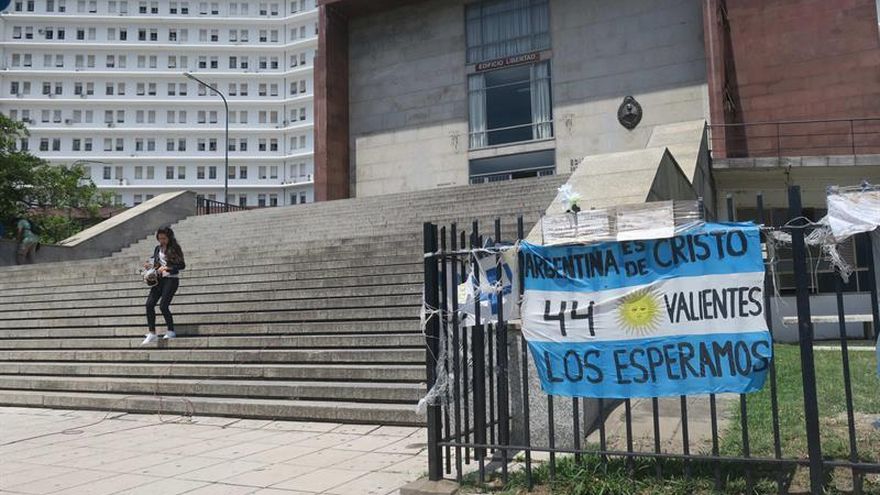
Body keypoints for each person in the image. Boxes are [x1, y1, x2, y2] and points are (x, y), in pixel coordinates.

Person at [142, 226, 186, 345]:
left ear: (169, 238)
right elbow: (156, 262)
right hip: (158, 280)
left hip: (171, 280)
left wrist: (167, 268)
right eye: (160, 238)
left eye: (164, 238)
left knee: (163, 306)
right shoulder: (157, 248)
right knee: (149, 304)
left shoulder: (175, 248)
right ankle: (152, 333)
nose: (162, 241)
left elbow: (182, 265)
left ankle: (171, 330)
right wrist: (149, 265)